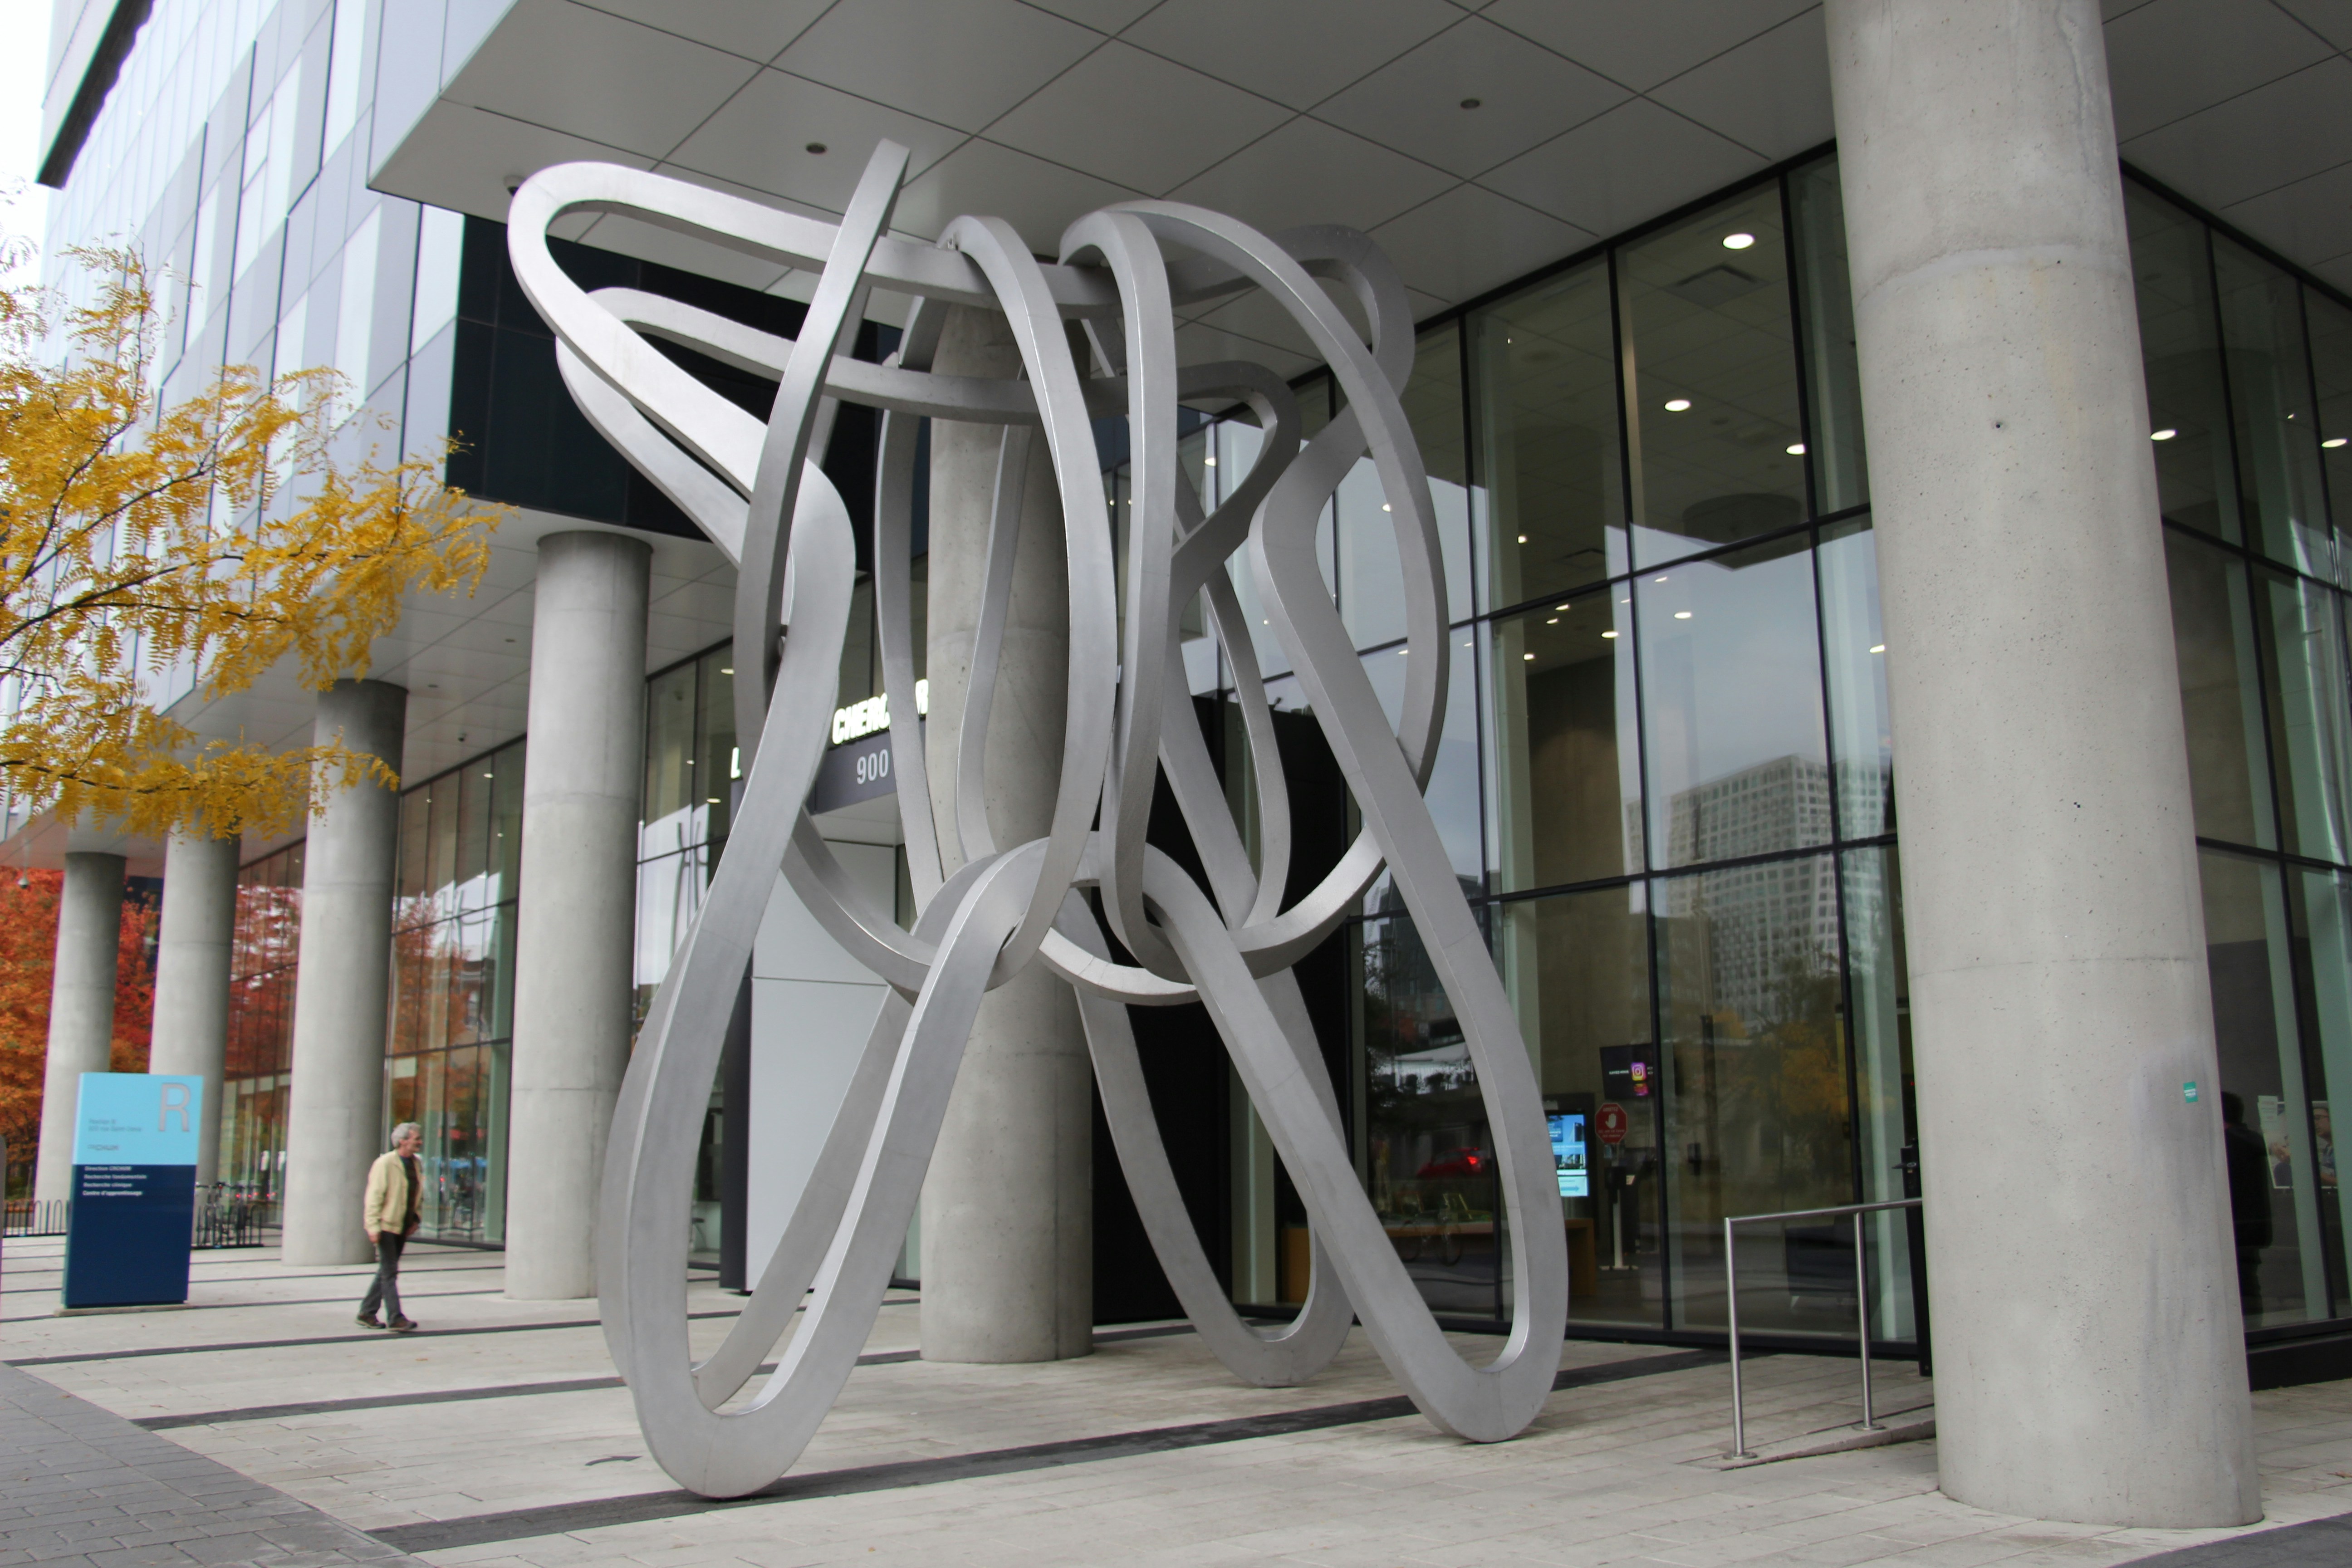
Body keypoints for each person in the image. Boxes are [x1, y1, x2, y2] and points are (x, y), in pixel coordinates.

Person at [358, 1122, 424, 1332]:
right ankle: (396, 1318)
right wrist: (373, 1227)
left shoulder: (416, 1164)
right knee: (390, 1272)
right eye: (416, 1139)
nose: (420, 1142)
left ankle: (366, 1312)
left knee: (386, 1271)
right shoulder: (385, 1163)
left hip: (403, 1226)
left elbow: (417, 1194)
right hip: (386, 1225)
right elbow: (374, 1197)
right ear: (403, 1141)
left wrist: (416, 1219)